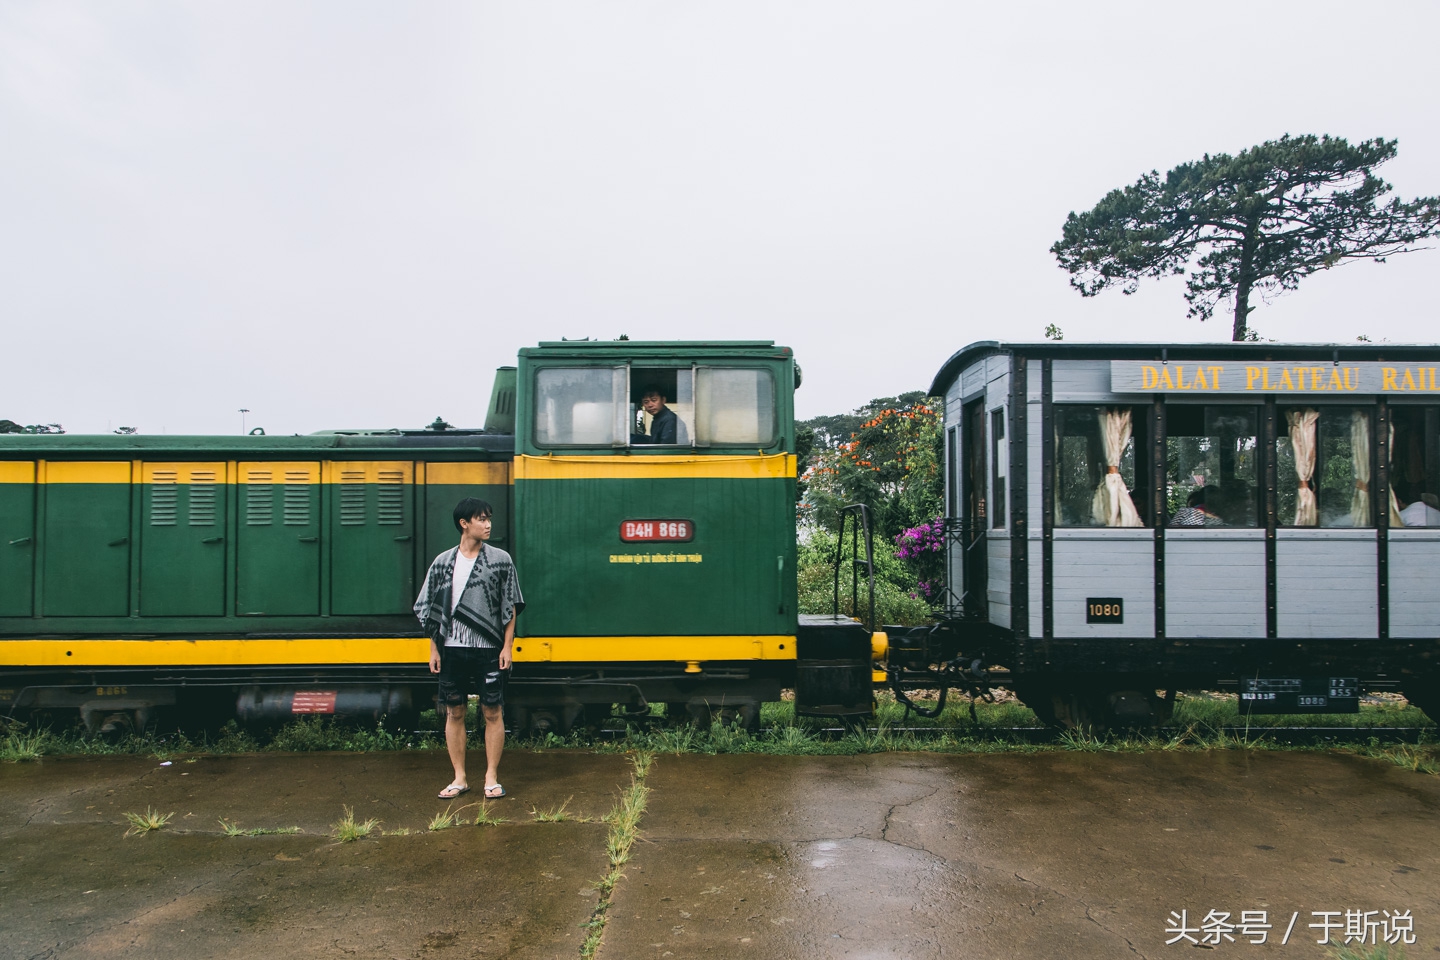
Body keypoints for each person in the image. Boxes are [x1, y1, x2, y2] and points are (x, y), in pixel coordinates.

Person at [414, 497, 524, 800]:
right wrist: (434, 649)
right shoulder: (443, 562)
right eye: (482, 519)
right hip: (451, 648)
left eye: (489, 518)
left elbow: (510, 605)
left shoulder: (501, 559)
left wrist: (507, 646)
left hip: (488, 648)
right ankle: (460, 778)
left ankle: (491, 777)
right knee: (455, 711)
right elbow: (431, 609)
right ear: (465, 524)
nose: (488, 524)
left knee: (493, 710)